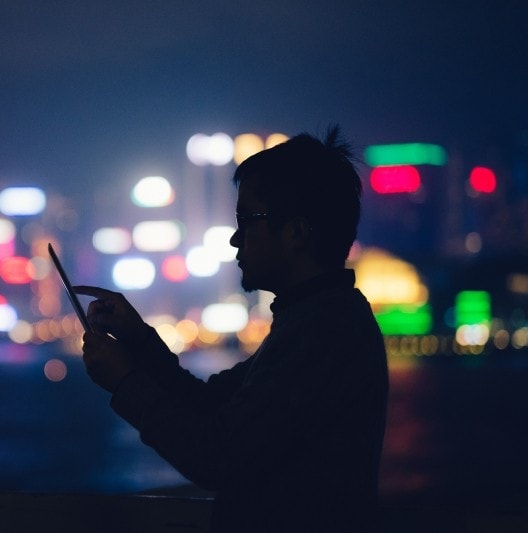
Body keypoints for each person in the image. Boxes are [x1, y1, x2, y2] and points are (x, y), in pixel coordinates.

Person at [75, 126, 389, 532]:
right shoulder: (316, 318)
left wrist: (125, 380)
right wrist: (138, 339)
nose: (235, 239)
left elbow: (218, 456)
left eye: (247, 220)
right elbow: (211, 404)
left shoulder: (322, 332)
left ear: (296, 232)